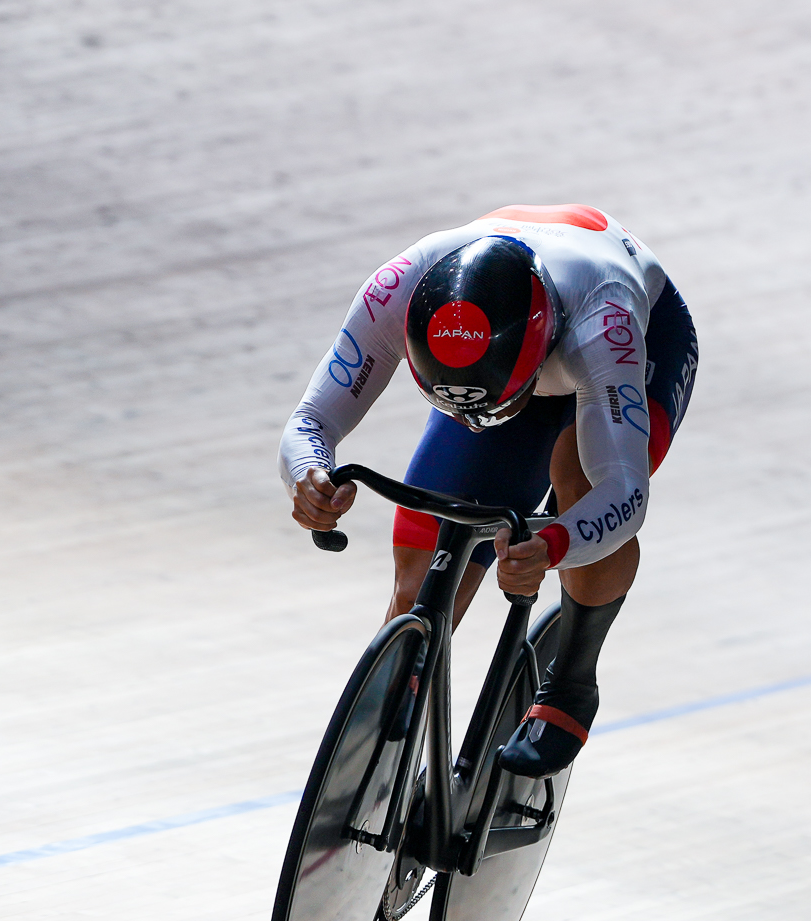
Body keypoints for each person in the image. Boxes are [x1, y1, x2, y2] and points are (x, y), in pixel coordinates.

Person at [278, 204, 698, 778]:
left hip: (638, 341)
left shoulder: (607, 326)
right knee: (418, 579)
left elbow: (623, 492)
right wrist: (310, 475)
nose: (476, 421)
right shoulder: (398, 287)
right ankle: (384, 747)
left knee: (575, 474)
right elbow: (310, 423)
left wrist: (553, 545)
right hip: (504, 364)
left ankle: (572, 681)